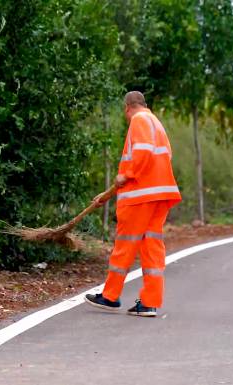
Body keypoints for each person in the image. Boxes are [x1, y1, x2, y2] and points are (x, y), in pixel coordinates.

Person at [85, 91, 181, 317]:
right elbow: (166, 156)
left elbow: (143, 151)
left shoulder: (139, 120)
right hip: (160, 195)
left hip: (140, 196)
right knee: (151, 247)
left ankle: (110, 296)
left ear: (127, 107)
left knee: (125, 244)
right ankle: (149, 303)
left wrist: (127, 174)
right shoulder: (156, 123)